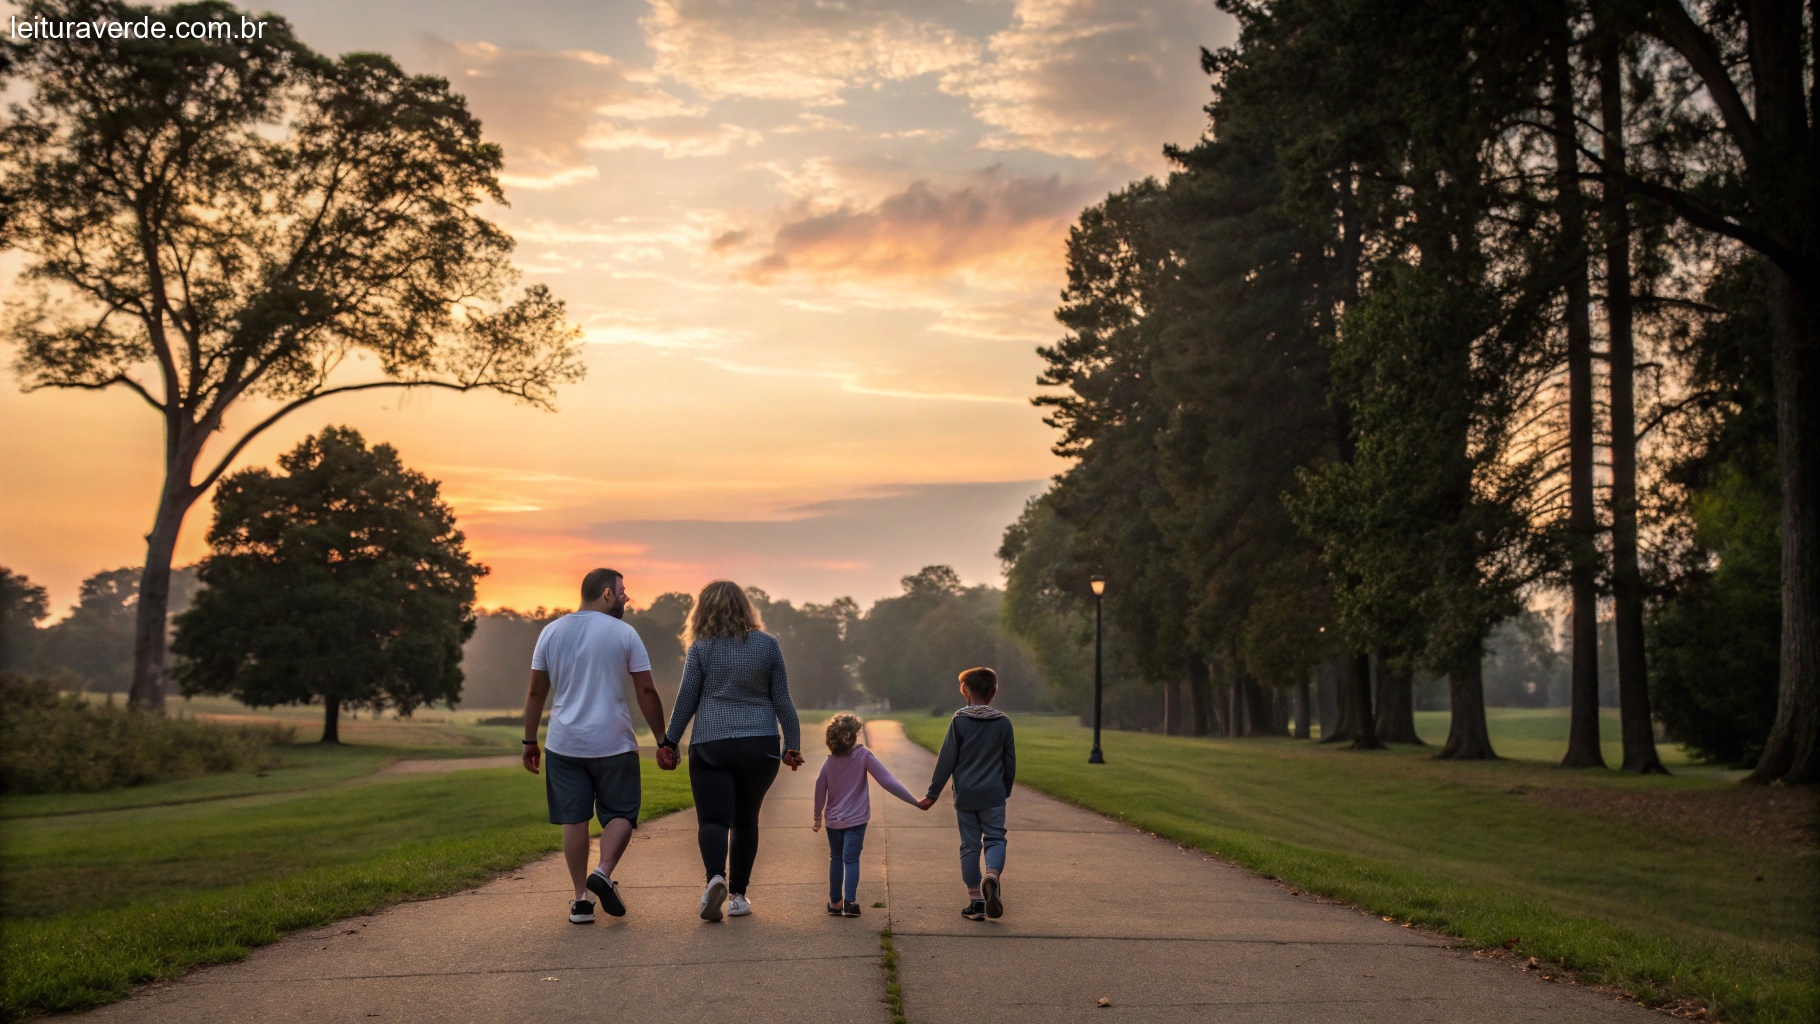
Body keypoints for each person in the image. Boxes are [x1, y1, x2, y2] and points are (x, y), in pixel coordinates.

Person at [521, 568, 668, 925]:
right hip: (613, 742)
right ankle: (602, 871)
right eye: (622, 591)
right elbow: (646, 690)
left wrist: (529, 740)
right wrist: (664, 740)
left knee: (574, 819)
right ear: (606, 594)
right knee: (621, 813)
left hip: (564, 743)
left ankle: (581, 900)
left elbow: (537, 692)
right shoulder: (624, 633)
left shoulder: (551, 632)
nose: (626, 597)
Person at [658, 580, 803, 922]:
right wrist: (792, 744)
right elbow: (782, 699)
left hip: (712, 743)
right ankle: (738, 896)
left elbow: (686, 700)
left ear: (702, 611)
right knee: (746, 821)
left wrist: (669, 742)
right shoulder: (768, 645)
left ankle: (714, 879)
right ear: (746, 607)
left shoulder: (701, 648)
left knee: (712, 819)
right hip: (760, 744)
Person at [918, 666, 1016, 922]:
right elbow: (1010, 761)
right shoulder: (1003, 722)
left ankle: (976, 902)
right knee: (995, 838)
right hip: (993, 793)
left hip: (966, 795)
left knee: (970, 845)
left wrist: (933, 793)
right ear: (994, 692)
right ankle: (992, 876)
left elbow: (946, 760)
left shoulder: (960, 720)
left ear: (964, 690)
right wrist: (1004, 790)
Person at [812, 712, 922, 917]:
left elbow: (820, 788)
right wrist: (914, 801)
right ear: (854, 737)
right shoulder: (863, 756)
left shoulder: (828, 763)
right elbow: (887, 780)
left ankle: (835, 902)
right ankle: (850, 903)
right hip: (855, 821)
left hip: (833, 822)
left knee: (836, 858)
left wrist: (818, 817)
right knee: (851, 860)